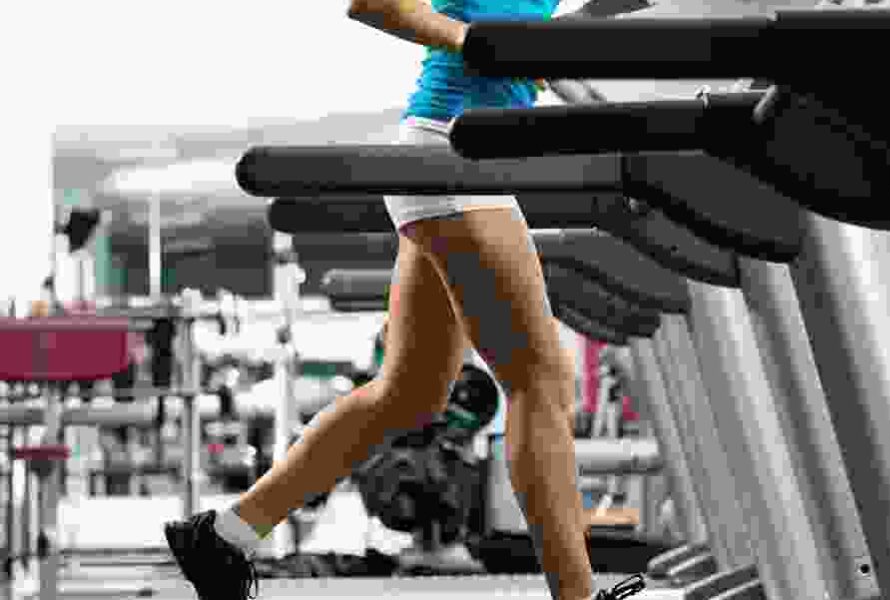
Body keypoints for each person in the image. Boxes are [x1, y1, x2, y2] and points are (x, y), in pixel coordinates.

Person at [163, 2, 646, 600]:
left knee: (410, 392)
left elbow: (523, 39)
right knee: (541, 380)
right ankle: (577, 596)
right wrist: (476, 43)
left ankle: (224, 535)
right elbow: (374, 4)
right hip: (456, 156)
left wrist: (597, 19)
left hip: (452, 156)